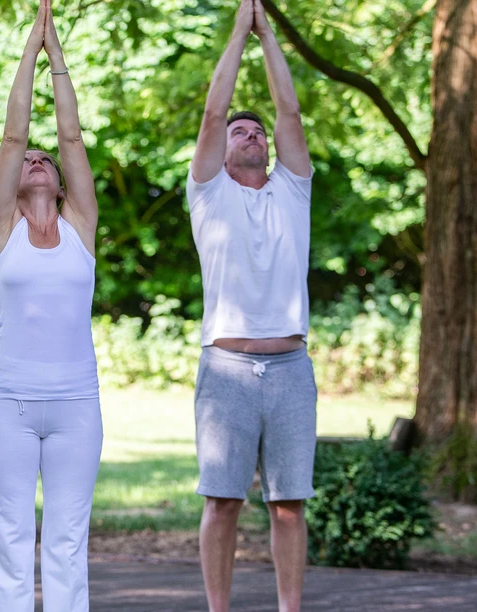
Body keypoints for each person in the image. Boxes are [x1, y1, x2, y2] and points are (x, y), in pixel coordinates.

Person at [187, 0, 316, 611]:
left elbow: (288, 108)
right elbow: (214, 109)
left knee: (288, 506)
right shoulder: (208, 193)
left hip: (291, 369)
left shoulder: (293, 190)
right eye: (242, 130)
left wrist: (270, 40)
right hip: (228, 370)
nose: (252, 133)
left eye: (257, 130)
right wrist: (240, 28)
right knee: (223, 501)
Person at [0, 0, 102, 609]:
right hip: (10, 403)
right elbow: (12, 133)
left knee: (67, 539)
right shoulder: (2, 227)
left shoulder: (81, 226)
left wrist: (60, 62)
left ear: (58, 180)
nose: (35, 158)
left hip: (78, 403)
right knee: (7, 533)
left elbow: (70, 133)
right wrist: (31, 48)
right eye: (28, 160)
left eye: (44, 160)